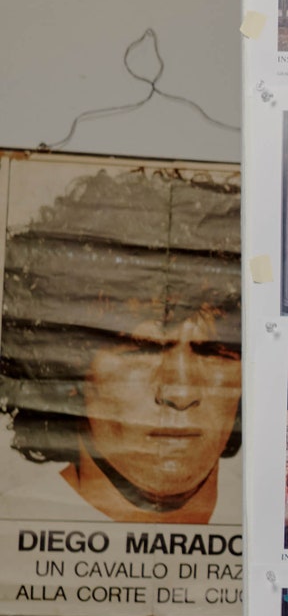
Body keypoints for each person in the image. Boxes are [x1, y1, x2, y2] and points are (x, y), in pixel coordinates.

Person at [0, 164, 241, 525]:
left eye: (213, 351)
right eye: (142, 348)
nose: (178, 392)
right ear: (66, 370)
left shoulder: (287, 528)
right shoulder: (16, 525)